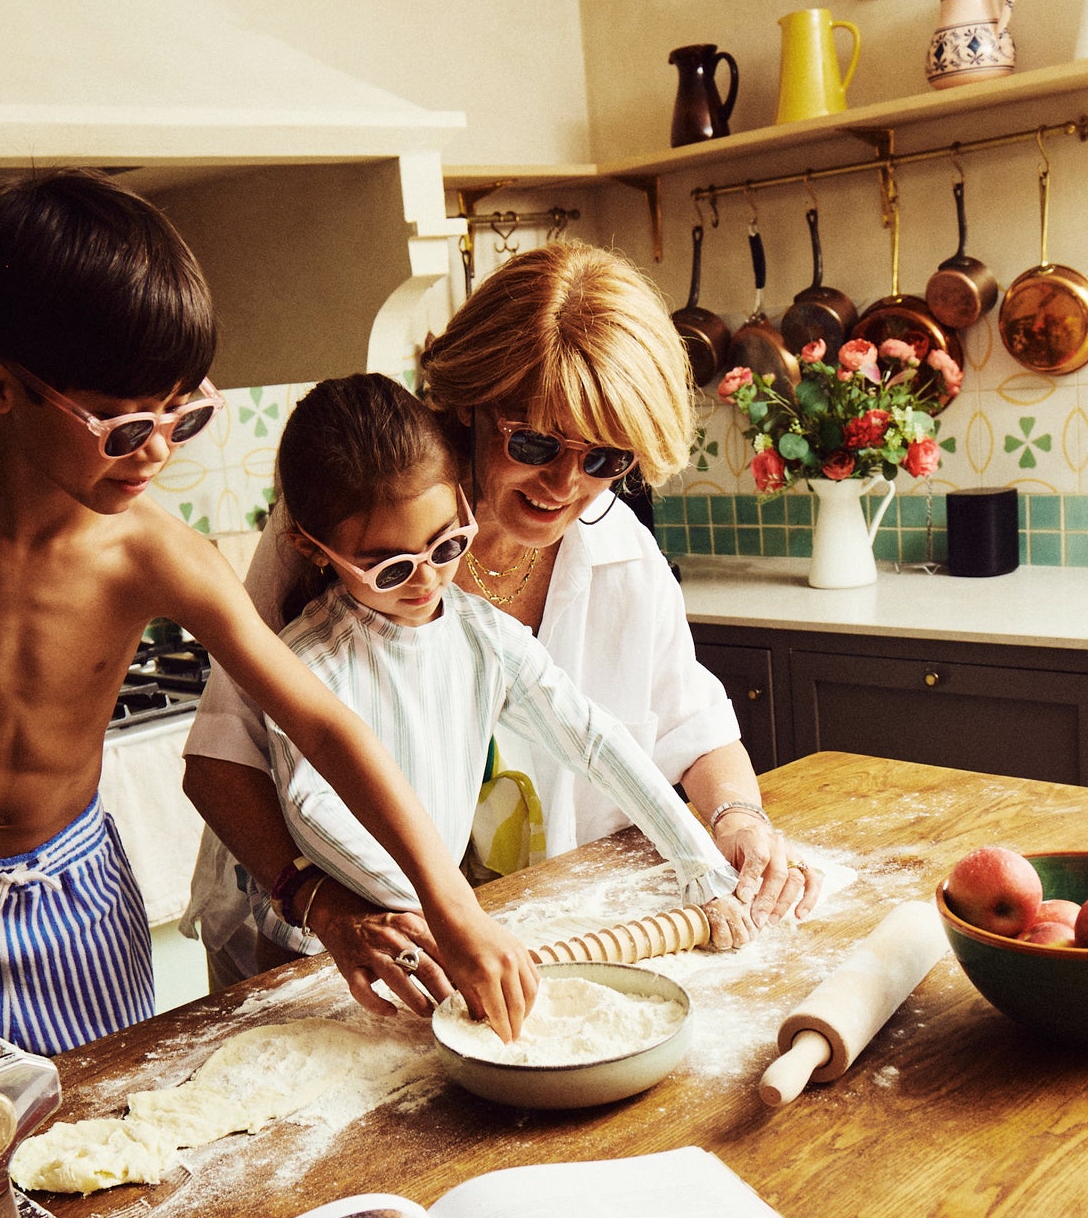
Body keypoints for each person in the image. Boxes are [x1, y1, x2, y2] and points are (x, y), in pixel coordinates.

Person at [0, 170, 540, 1052]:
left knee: (104, 1140)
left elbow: (323, 724)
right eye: (121, 426)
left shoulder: (157, 554)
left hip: (72, 899)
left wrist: (452, 905)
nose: (159, 451)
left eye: (183, 412)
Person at [185, 241, 816, 1002]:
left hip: (533, 936)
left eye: (605, 459)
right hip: (325, 940)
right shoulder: (353, 517)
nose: (565, 484)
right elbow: (224, 758)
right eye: (535, 444)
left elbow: (689, 724)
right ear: (470, 404)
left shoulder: (619, 552)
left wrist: (736, 822)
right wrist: (328, 905)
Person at [237, 373, 745, 982]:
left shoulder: (484, 637)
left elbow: (595, 741)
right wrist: (444, 907)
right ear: (314, 549)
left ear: (459, 497)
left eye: (447, 545)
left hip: (441, 929)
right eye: (391, 568)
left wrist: (701, 868)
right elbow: (311, 807)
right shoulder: (302, 664)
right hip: (322, 951)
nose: (427, 582)